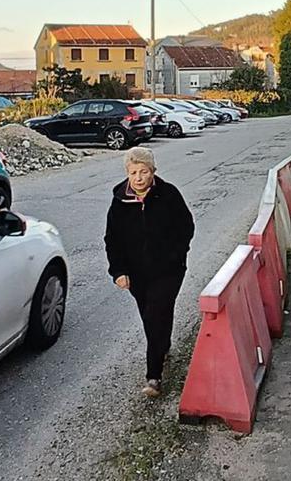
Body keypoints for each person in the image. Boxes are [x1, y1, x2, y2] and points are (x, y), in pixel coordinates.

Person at [104, 148, 195, 397]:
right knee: (151, 316)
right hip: (137, 274)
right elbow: (112, 239)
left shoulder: (168, 195)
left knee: (157, 311)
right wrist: (119, 271)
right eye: (133, 172)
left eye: (144, 172)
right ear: (127, 173)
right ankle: (162, 346)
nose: (139, 177)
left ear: (153, 172)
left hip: (168, 270)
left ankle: (153, 376)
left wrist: (176, 255)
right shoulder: (120, 201)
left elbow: (186, 227)